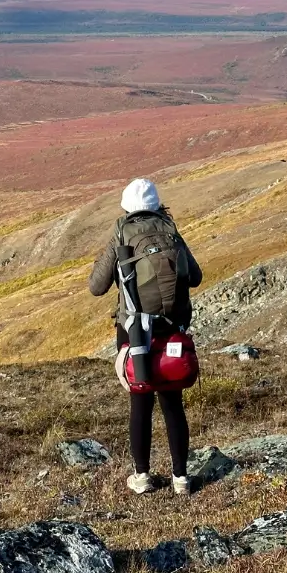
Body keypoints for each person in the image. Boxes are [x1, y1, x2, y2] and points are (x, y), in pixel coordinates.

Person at [88, 177, 202, 496]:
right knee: (172, 403)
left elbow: (96, 287)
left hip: (135, 329)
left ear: (127, 207)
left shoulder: (121, 233)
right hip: (172, 327)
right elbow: (195, 276)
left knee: (140, 401)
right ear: (156, 205)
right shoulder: (170, 230)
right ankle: (181, 478)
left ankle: (142, 477)